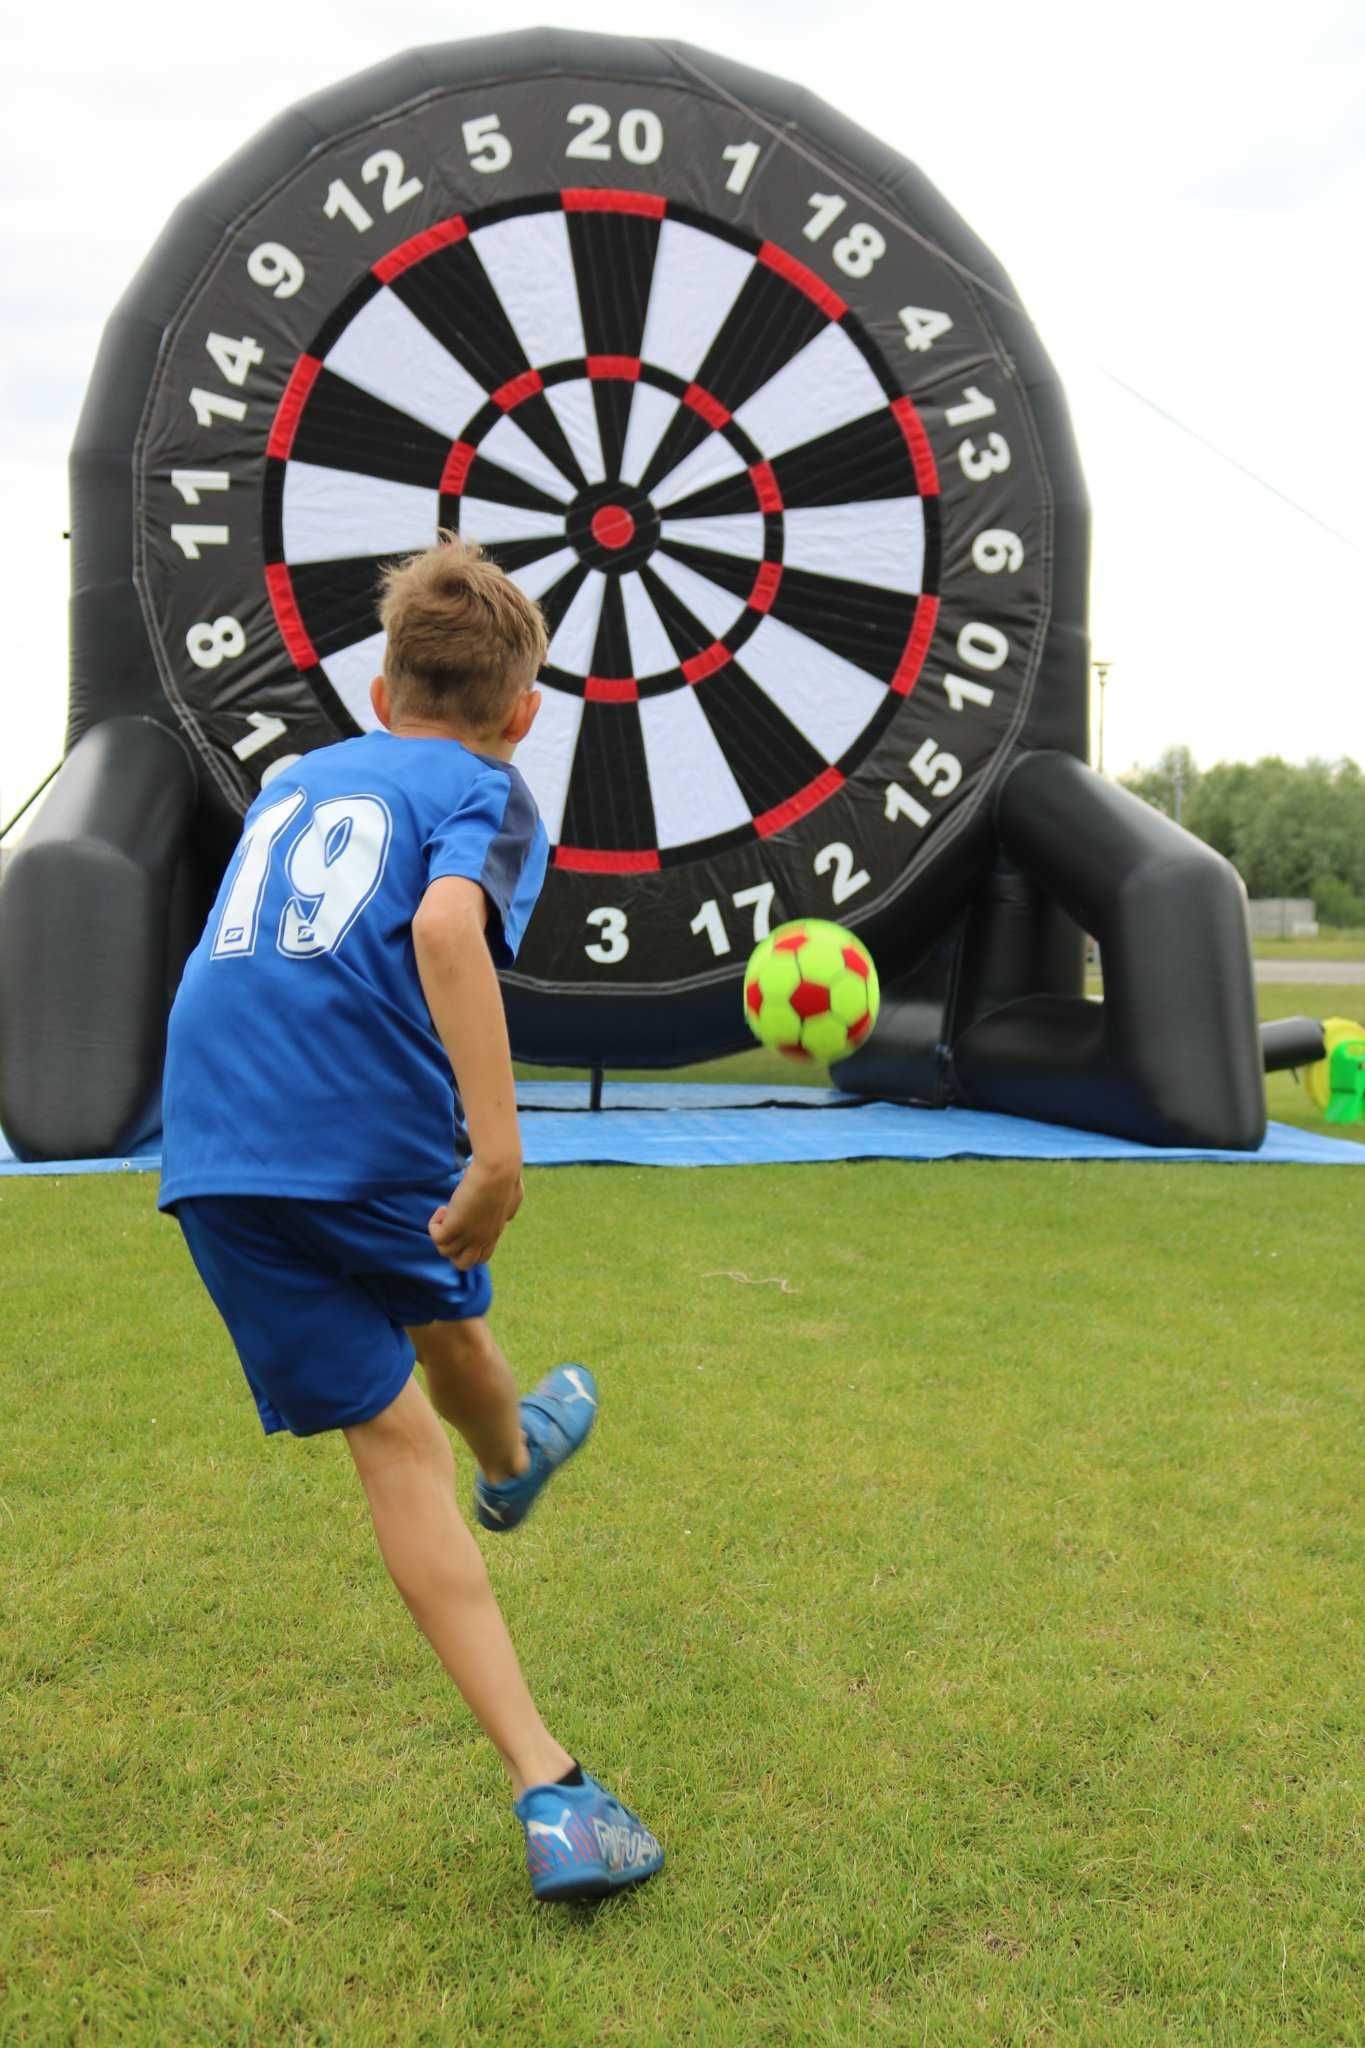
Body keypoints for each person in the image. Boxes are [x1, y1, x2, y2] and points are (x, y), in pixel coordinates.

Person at [158, 535, 663, 1903]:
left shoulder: (297, 778)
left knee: (399, 1424)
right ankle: (517, 1491)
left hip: (207, 1133)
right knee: (449, 1293)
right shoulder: (486, 788)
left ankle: (517, 1497)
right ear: (523, 715)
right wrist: (499, 1149)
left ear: (379, 694)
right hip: (348, 1119)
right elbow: (446, 935)